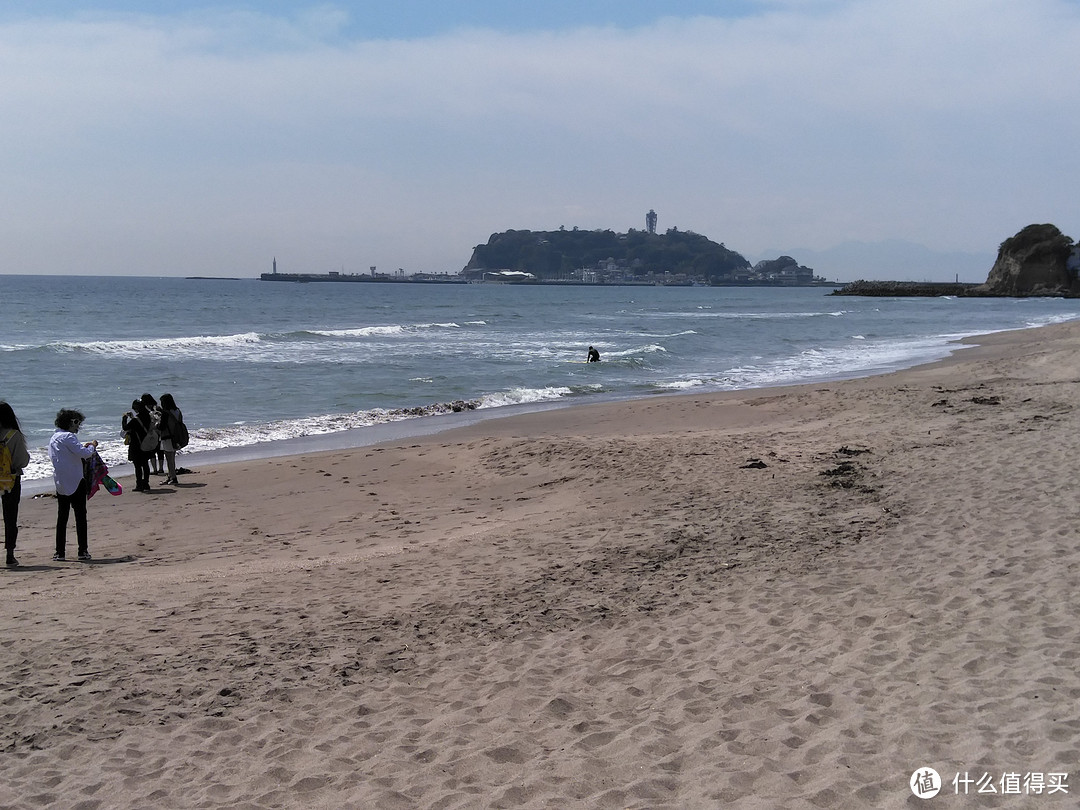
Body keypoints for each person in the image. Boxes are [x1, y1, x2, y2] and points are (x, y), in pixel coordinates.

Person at [48, 409, 97, 561]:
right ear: (72, 422)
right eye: (77, 423)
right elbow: (85, 453)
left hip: (61, 482)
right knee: (80, 517)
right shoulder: (68, 436)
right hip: (76, 481)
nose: (78, 427)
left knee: (62, 518)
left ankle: (59, 552)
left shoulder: (53, 438)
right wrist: (92, 446)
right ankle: (82, 551)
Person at [1, 402, 31, 567]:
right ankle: (10, 555)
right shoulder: (14, 435)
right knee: (10, 517)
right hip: (10, 480)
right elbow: (22, 461)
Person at [122, 399, 154, 492]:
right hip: (146, 443)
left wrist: (124, 418)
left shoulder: (136, 420)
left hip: (136, 445)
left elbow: (125, 427)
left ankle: (139, 484)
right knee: (145, 464)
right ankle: (146, 483)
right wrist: (133, 418)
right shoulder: (148, 417)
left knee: (137, 466)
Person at [158, 393, 183, 486]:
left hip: (167, 437)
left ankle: (173, 478)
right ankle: (170, 476)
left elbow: (162, 427)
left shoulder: (165, 413)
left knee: (169, 459)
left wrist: (157, 424)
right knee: (172, 458)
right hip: (176, 436)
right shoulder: (178, 411)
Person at [140, 393, 163, 475]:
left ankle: (155, 469)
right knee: (160, 451)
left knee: (152, 451)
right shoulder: (158, 408)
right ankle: (161, 468)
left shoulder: (147, 410)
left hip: (151, 432)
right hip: (159, 432)